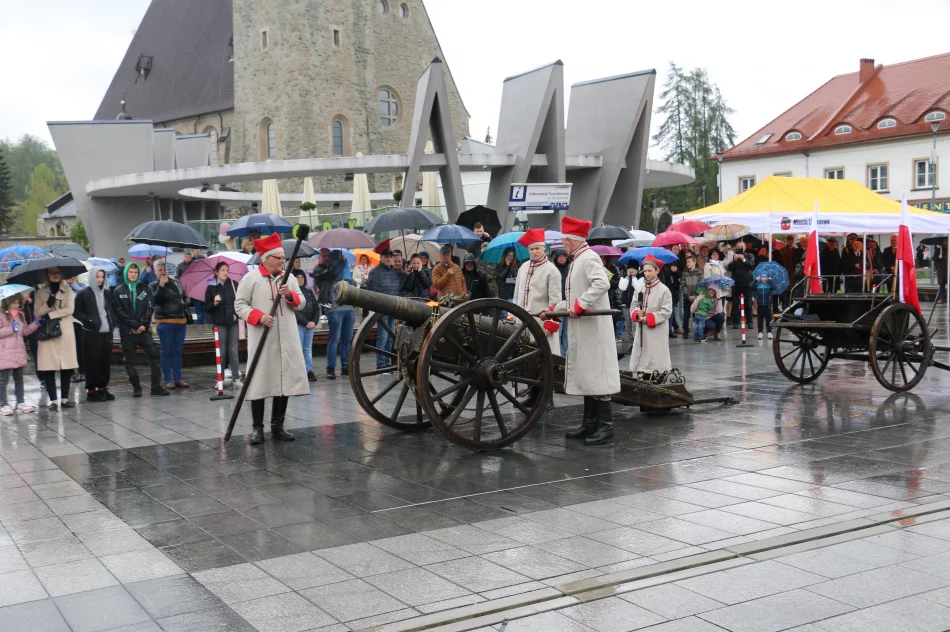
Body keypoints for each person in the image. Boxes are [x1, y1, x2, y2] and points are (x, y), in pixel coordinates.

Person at [541, 216, 620, 446]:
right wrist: (555, 309)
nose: (563, 244)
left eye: (564, 240)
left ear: (570, 240)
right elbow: (573, 297)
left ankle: (605, 428)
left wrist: (579, 305)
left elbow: (601, 284)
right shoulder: (578, 259)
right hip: (582, 328)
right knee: (587, 374)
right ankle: (589, 423)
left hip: (594, 329)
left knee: (596, 373)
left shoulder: (589, 258)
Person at [234, 232, 308, 444]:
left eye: (284, 258)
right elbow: (239, 305)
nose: (283, 261)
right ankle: (257, 428)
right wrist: (258, 317)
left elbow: (301, 302)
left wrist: (289, 295)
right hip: (263, 338)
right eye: (279, 258)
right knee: (260, 380)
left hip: (287, 336)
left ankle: (278, 425)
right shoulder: (251, 279)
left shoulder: (290, 278)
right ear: (266, 258)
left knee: (283, 379)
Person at [114, 262, 167, 397]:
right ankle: (136, 386)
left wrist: (143, 325)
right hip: (127, 332)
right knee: (130, 361)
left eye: (136, 272)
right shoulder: (118, 291)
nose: (133, 275)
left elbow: (149, 308)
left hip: (143, 330)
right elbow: (119, 312)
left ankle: (156, 386)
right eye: (131, 272)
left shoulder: (145, 289)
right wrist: (134, 326)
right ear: (126, 273)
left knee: (155, 356)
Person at [34, 267, 80, 410]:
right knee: (49, 367)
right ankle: (53, 401)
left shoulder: (68, 291)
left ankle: (65, 399)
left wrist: (51, 314)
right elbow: (37, 313)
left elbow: (69, 309)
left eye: (57, 272)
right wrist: (48, 304)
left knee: (66, 366)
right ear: (47, 275)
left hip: (64, 331)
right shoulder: (40, 293)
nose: (55, 275)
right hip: (48, 332)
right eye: (51, 272)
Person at [513, 229, 561, 357]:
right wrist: (512, 314)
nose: (534, 252)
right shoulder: (523, 268)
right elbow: (517, 294)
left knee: (545, 355)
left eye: (537, 248)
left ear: (544, 248)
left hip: (542, 321)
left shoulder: (552, 270)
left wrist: (551, 324)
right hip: (522, 321)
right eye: (531, 249)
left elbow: (555, 301)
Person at [74, 267, 116, 402]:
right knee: (92, 362)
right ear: (92, 277)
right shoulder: (83, 293)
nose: (100, 279)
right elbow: (77, 312)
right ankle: (91, 390)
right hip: (91, 333)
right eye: (97, 277)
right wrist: (89, 320)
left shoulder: (108, 293)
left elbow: (111, 309)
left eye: (102, 277)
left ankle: (102, 388)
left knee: (105, 361)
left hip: (106, 332)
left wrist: (113, 322)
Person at [629, 255, 673, 377]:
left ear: (657, 271)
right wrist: (637, 313)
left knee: (655, 359)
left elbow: (666, 311)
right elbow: (633, 305)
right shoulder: (639, 288)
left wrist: (649, 317)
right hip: (641, 330)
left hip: (657, 331)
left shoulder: (664, 290)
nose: (647, 274)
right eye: (645, 271)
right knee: (641, 356)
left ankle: (657, 376)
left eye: (650, 270)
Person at [151, 261, 190, 390]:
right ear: (155, 272)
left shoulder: (176, 282)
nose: (163, 272)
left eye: (165, 269)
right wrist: (161, 286)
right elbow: (154, 301)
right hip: (165, 322)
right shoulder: (153, 285)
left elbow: (183, 296)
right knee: (167, 351)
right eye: (160, 269)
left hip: (180, 321)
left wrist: (185, 303)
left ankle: (178, 378)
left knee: (178, 352)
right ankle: (168, 379)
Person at [0, 294, 40, 415]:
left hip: (18, 350)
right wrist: (12, 329)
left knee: (19, 378)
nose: (17, 305)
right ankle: (3, 404)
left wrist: (35, 324)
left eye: (19, 303)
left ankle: (20, 402)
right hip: (5, 351)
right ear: (8, 302)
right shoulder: (1, 315)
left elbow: (25, 331)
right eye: (15, 302)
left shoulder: (20, 315)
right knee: (3, 380)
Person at [204, 261, 242, 386]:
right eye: (222, 270)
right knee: (221, 352)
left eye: (227, 270)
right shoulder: (211, 288)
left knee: (233, 351)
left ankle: (236, 378)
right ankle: (220, 379)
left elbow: (240, 303)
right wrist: (214, 303)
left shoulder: (234, 284)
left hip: (233, 323)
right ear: (216, 272)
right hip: (219, 323)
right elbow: (207, 308)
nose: (226, 272)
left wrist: (236, 315)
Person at [365, 249, 402, 368]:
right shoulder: (375, 272)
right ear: (381, 258)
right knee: (383, 338)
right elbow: (372, 291)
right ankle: (381, 364)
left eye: (390, 257)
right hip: (382, 309)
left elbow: (398, 289)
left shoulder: (394, 272)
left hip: (393, 308)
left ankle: (387, 362)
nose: (388, 259)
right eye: (385, 256)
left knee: (391, 338)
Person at [322, 263, 355, 380]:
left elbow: (354, 290)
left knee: (347, 340)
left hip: (349, 309)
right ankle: (330, 367)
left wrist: (348, 280)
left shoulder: (348, 276)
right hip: (334, 309)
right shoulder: (325, 272)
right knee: (334, 339)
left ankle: (345, 367)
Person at [292, 270, 319, 381]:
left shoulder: (309, 292)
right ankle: (299, 371)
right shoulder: (293, 293)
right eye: (297, 277)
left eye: (302, 277)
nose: (300, 279)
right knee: (299, 349)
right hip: (300, 324)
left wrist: (314, 321)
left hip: (310, 325)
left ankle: (308, 370)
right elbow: (295, 311)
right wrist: (306, 322)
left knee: (308, 349)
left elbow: (316, 308)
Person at [727, 243, 755, 329]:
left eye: (741, 247)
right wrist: (734, 261)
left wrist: (743, 259)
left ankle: (749, 322)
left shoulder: (749, 255)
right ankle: (736, 321)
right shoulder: (734, 256)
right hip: (736, 283)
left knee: (748, 304)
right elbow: (729, 268)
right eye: (738, 247)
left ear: (745, 248)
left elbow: (751, 266)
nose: (739, 248)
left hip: (747, 283)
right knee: (736, 304)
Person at [66, 275, 87, 385]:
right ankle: (70, 373)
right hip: (66, 322)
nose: (71, 276)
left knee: (80, 347)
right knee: (68, 348)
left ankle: (82, 371)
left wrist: (73, 285)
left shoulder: (81, 286)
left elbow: (84, 295)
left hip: (78, 322)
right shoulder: (61, 288)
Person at [551, 248, 570, 356]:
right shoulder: (554, 270)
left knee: (567, 332)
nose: (562, 258)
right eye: (560, 256)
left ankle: (566, 354)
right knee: (558, 330)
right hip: (558, 304)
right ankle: (557, 354)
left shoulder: (569, 269)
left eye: (564, 256)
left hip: (568, 303)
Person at [679, 253, 702, 340]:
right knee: (686, 315)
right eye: (687, 262)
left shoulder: (699, 273)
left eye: (689, 262)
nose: (687, 264)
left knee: (696, 315)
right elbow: (683, 285)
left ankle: (697, 332)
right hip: (687, 298)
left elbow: (700, 285)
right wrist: (688, 295)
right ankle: (685, 331)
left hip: (696, 298)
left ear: (694, 262)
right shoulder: (685, 273)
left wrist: (695, 295)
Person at [753, 274, 774, 340]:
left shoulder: (769, 285)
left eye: (765, 277)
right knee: (760, 319)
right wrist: (755, 280)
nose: (763, 278)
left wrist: (771, 280)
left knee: (769, 319)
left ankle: (769, 332)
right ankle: (760, 332)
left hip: (767, 305)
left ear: (767, 278)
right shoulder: (758, 285)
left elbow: (774, 287)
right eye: (762, 277)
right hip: (760, 305)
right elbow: (751, 287)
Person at [938, 238, 949, 303]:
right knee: (942, 284)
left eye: (947, 241)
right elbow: (934, 258)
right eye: (945, 241)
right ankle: (942, 298)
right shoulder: (940, 249)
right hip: (942, 269)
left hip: (948, 268)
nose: (946, 242)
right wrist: (938, 257)